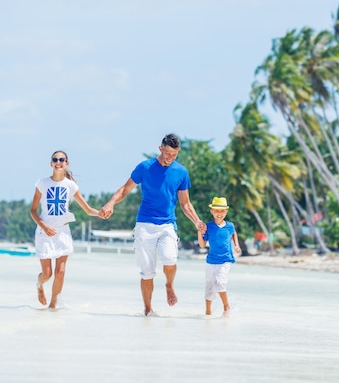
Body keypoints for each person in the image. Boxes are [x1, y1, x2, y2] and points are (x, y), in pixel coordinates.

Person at [99, 133, 206, 316]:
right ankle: (148, 311)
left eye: (174, 155)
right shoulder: (145, 167)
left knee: (170, 260)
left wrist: (197, 221)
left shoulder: (181, 172)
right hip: (145, 225)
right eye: (168, 153)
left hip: (167, 225)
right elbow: (125, 189)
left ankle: (169, 285)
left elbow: (185, 203)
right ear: (160, 149)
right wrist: (110, 203)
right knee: (146, 272)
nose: (170, 158)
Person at [29, 150, 100, 310]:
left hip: (62, 232)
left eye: (62, 159)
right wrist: (44, 226)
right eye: (55, 159)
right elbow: (33, 211)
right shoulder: (42, 183)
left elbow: (87, 209)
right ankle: (39, 285)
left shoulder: (71, 186)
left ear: (66, 163)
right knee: (47, 274)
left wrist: (101, 213)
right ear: (51, 163)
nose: (58, 162)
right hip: (44, 231)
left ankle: (53, 307)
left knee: (60, 272)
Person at [197, 197, 241, 316]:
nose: (219, 213)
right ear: (211, 211)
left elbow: (234, 233)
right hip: (211, 261)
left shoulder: (230, 226)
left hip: (225, 260)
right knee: (210, 285)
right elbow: (202, 245)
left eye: (222, 211)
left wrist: (236, 245)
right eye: (216, 210)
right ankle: (208, 311)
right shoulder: (208, 226)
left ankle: (226, 307)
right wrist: (199, 232)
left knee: (220, 283)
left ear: (226, 212)